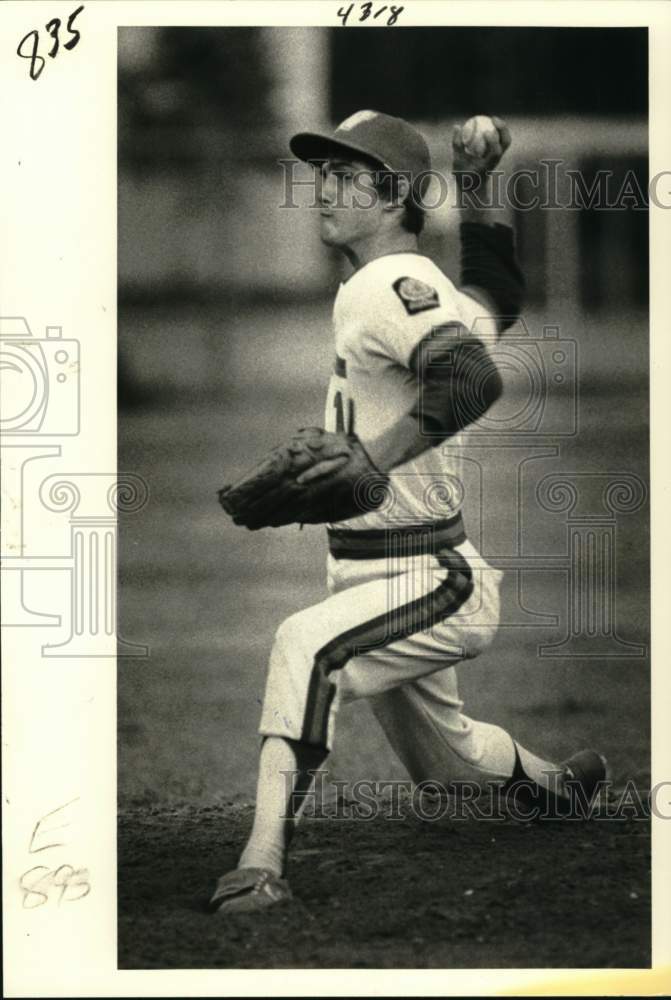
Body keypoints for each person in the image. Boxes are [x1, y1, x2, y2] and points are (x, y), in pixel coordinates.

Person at [210, 110, 606, 914]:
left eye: (346, 175)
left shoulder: (380, 285)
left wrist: (371, 456)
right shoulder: (419, 291)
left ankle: (261, 861)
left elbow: (472, 382)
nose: (323, 186)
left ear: (393, 197)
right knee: (450, 770)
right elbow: (496, 295)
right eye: (321, 171)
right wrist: (479, 187)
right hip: (385, 576)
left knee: (302, 644)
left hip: (432, 577)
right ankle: (561, 786)